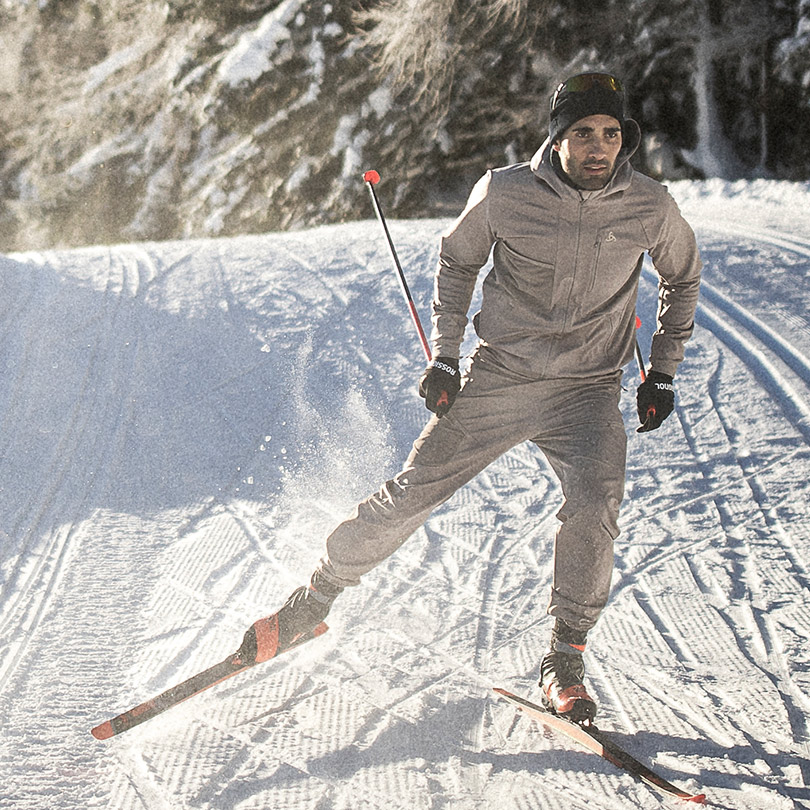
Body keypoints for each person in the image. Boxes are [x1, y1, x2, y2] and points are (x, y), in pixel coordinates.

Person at [240, 72, 702, 724]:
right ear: (558, 136)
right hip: (501, 378)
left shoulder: (648, 204)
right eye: (583, 133)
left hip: (587, 391)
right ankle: (315, 598)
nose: (599, 147)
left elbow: (683, 275)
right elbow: (458, 261)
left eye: (610, 134)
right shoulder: (506, 191)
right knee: (415, 490)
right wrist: (447, 358)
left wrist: (662, 372)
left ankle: (564, 657)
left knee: (596, 505)